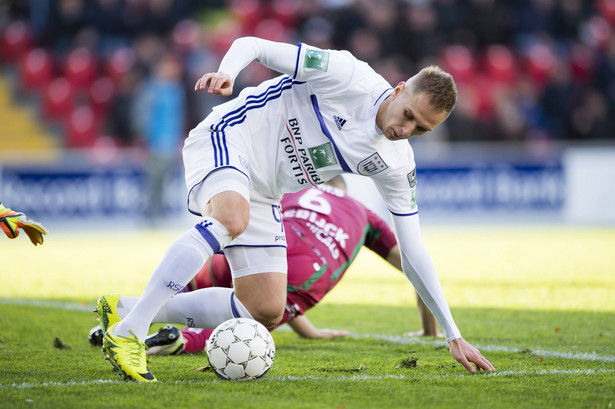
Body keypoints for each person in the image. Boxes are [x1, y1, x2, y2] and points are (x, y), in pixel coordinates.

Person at [100, 36, 494, 382]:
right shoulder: (348, 75)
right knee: (231, 219)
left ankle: (125, 310)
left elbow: (413, 252)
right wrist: (228, 73)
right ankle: (129, 333)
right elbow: (253, 45)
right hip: (231, 136)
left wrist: (452, 332)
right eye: (409, 115)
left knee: (266, 309)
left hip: (267, 191)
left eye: (421, 129)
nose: (406, 130)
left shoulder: (396, 161)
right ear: (399, 89)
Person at [92, 177, 440, 355]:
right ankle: (179, 339)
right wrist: (430, 330)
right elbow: (417, 269)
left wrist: (309, 331)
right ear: (345, 190)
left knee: (199, 280)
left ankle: (131, 318)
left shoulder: (291, 192)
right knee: (256, 316)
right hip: (300, 276)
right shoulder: (364, 215)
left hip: (252, 252)